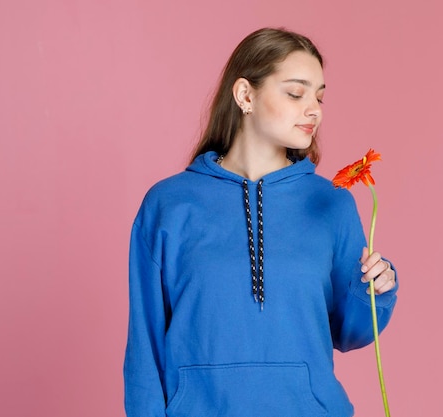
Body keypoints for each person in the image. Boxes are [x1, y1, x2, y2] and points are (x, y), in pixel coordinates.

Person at [123, 27, 398, 417]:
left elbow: (347, 331)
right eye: (295, 93)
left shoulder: (331, 203)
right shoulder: (169, 204)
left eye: (319, 96)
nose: (314, 109)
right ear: (245, 95)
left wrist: (374, 291)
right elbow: (144, 344)